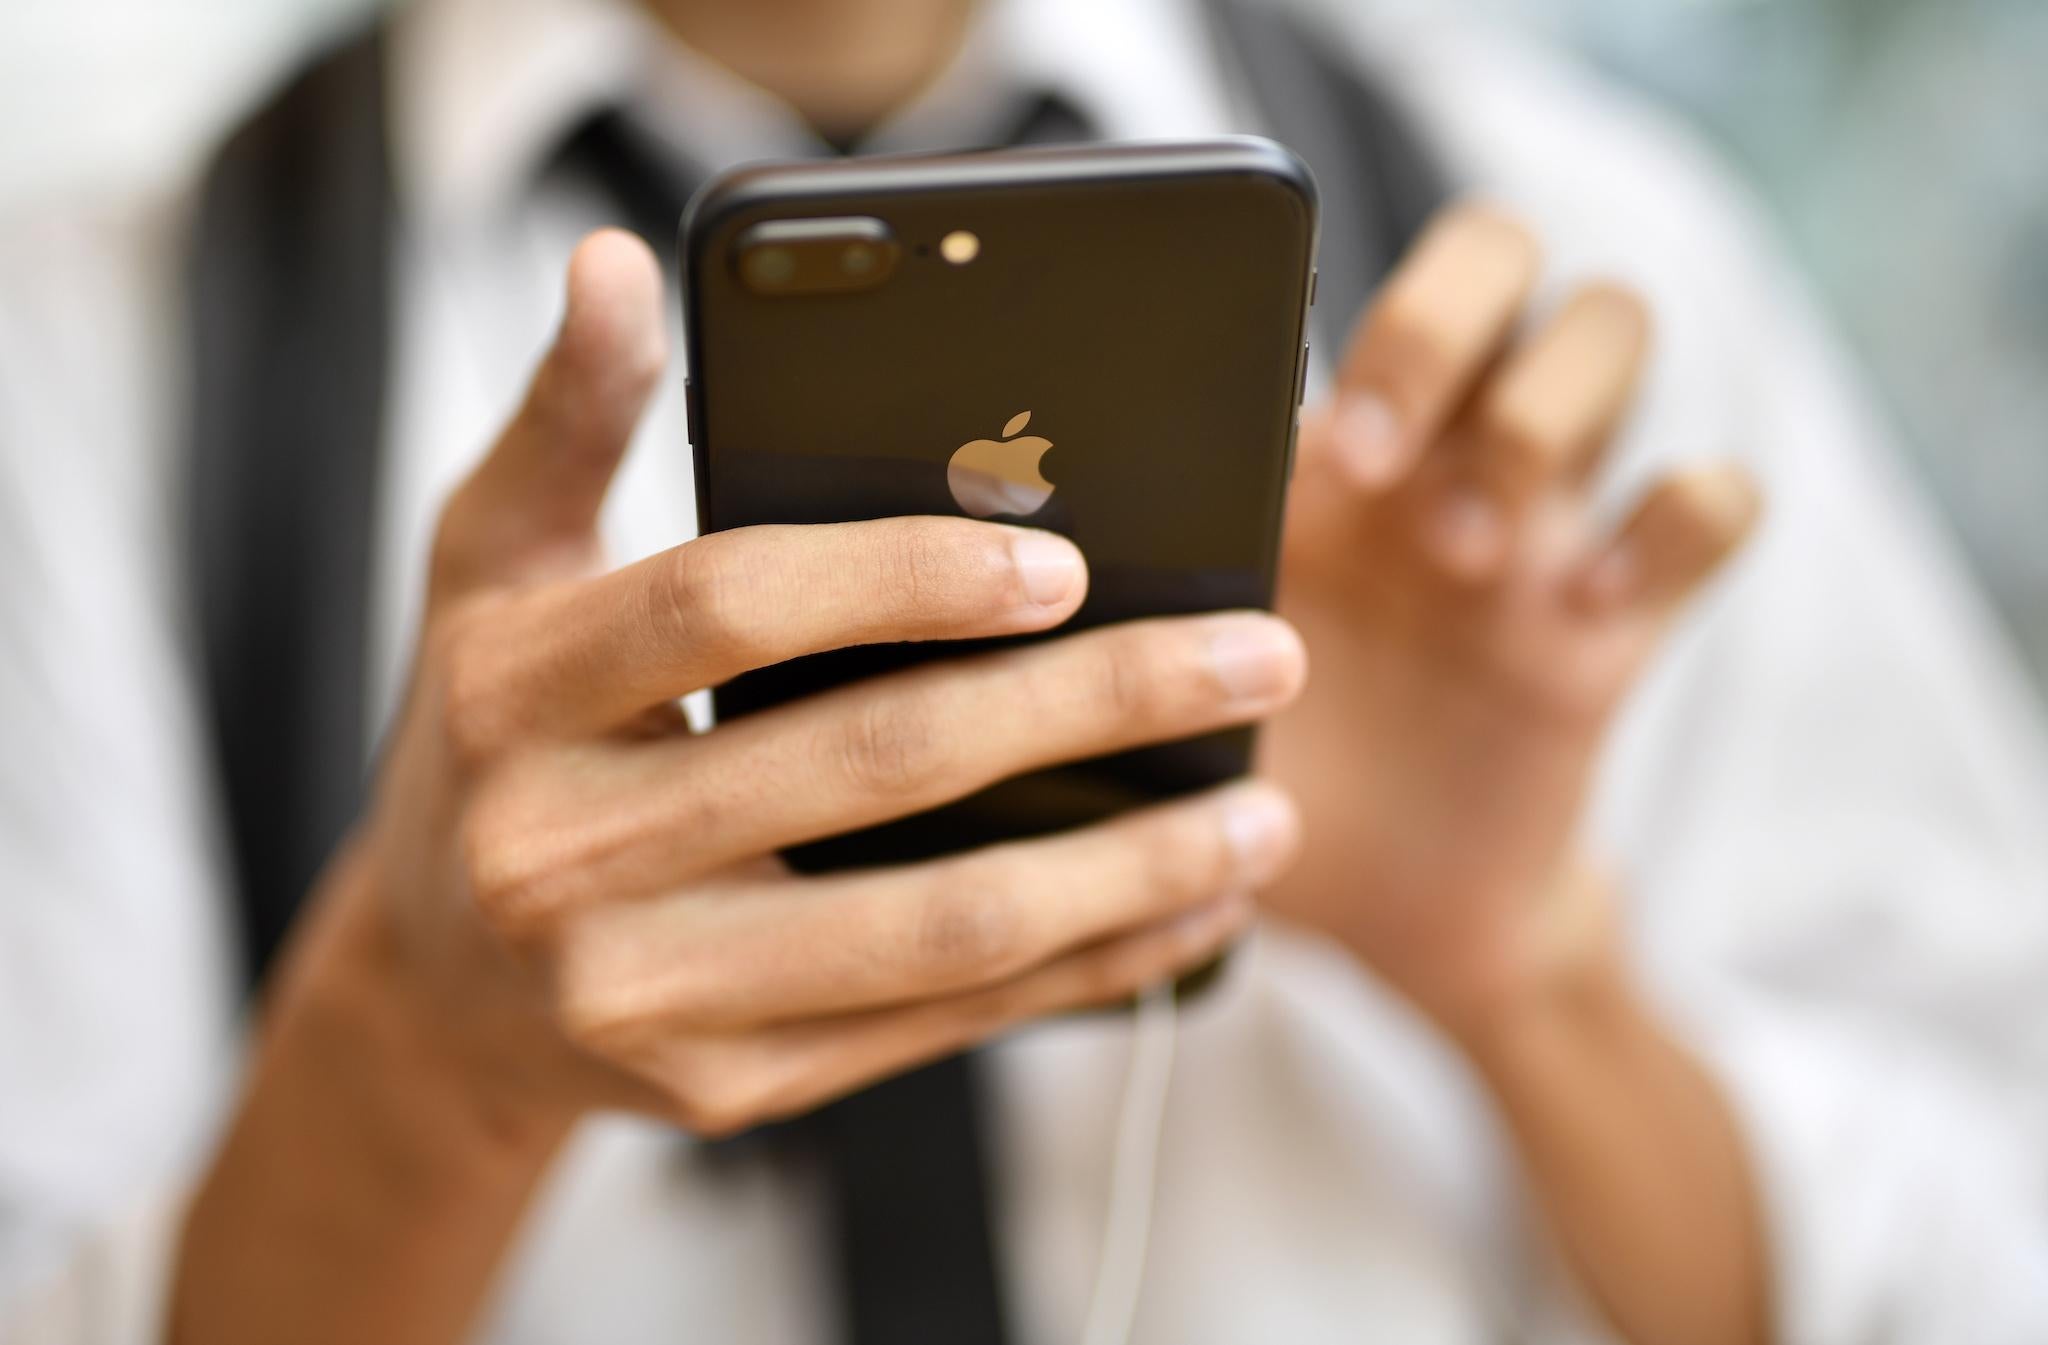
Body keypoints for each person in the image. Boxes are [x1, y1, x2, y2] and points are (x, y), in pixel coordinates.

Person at [3, 0, 2046, 1342]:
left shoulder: (1588, 253)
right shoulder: (86, 364)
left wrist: (1534, 983)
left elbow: (1983, 1256)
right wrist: (411, 1074)